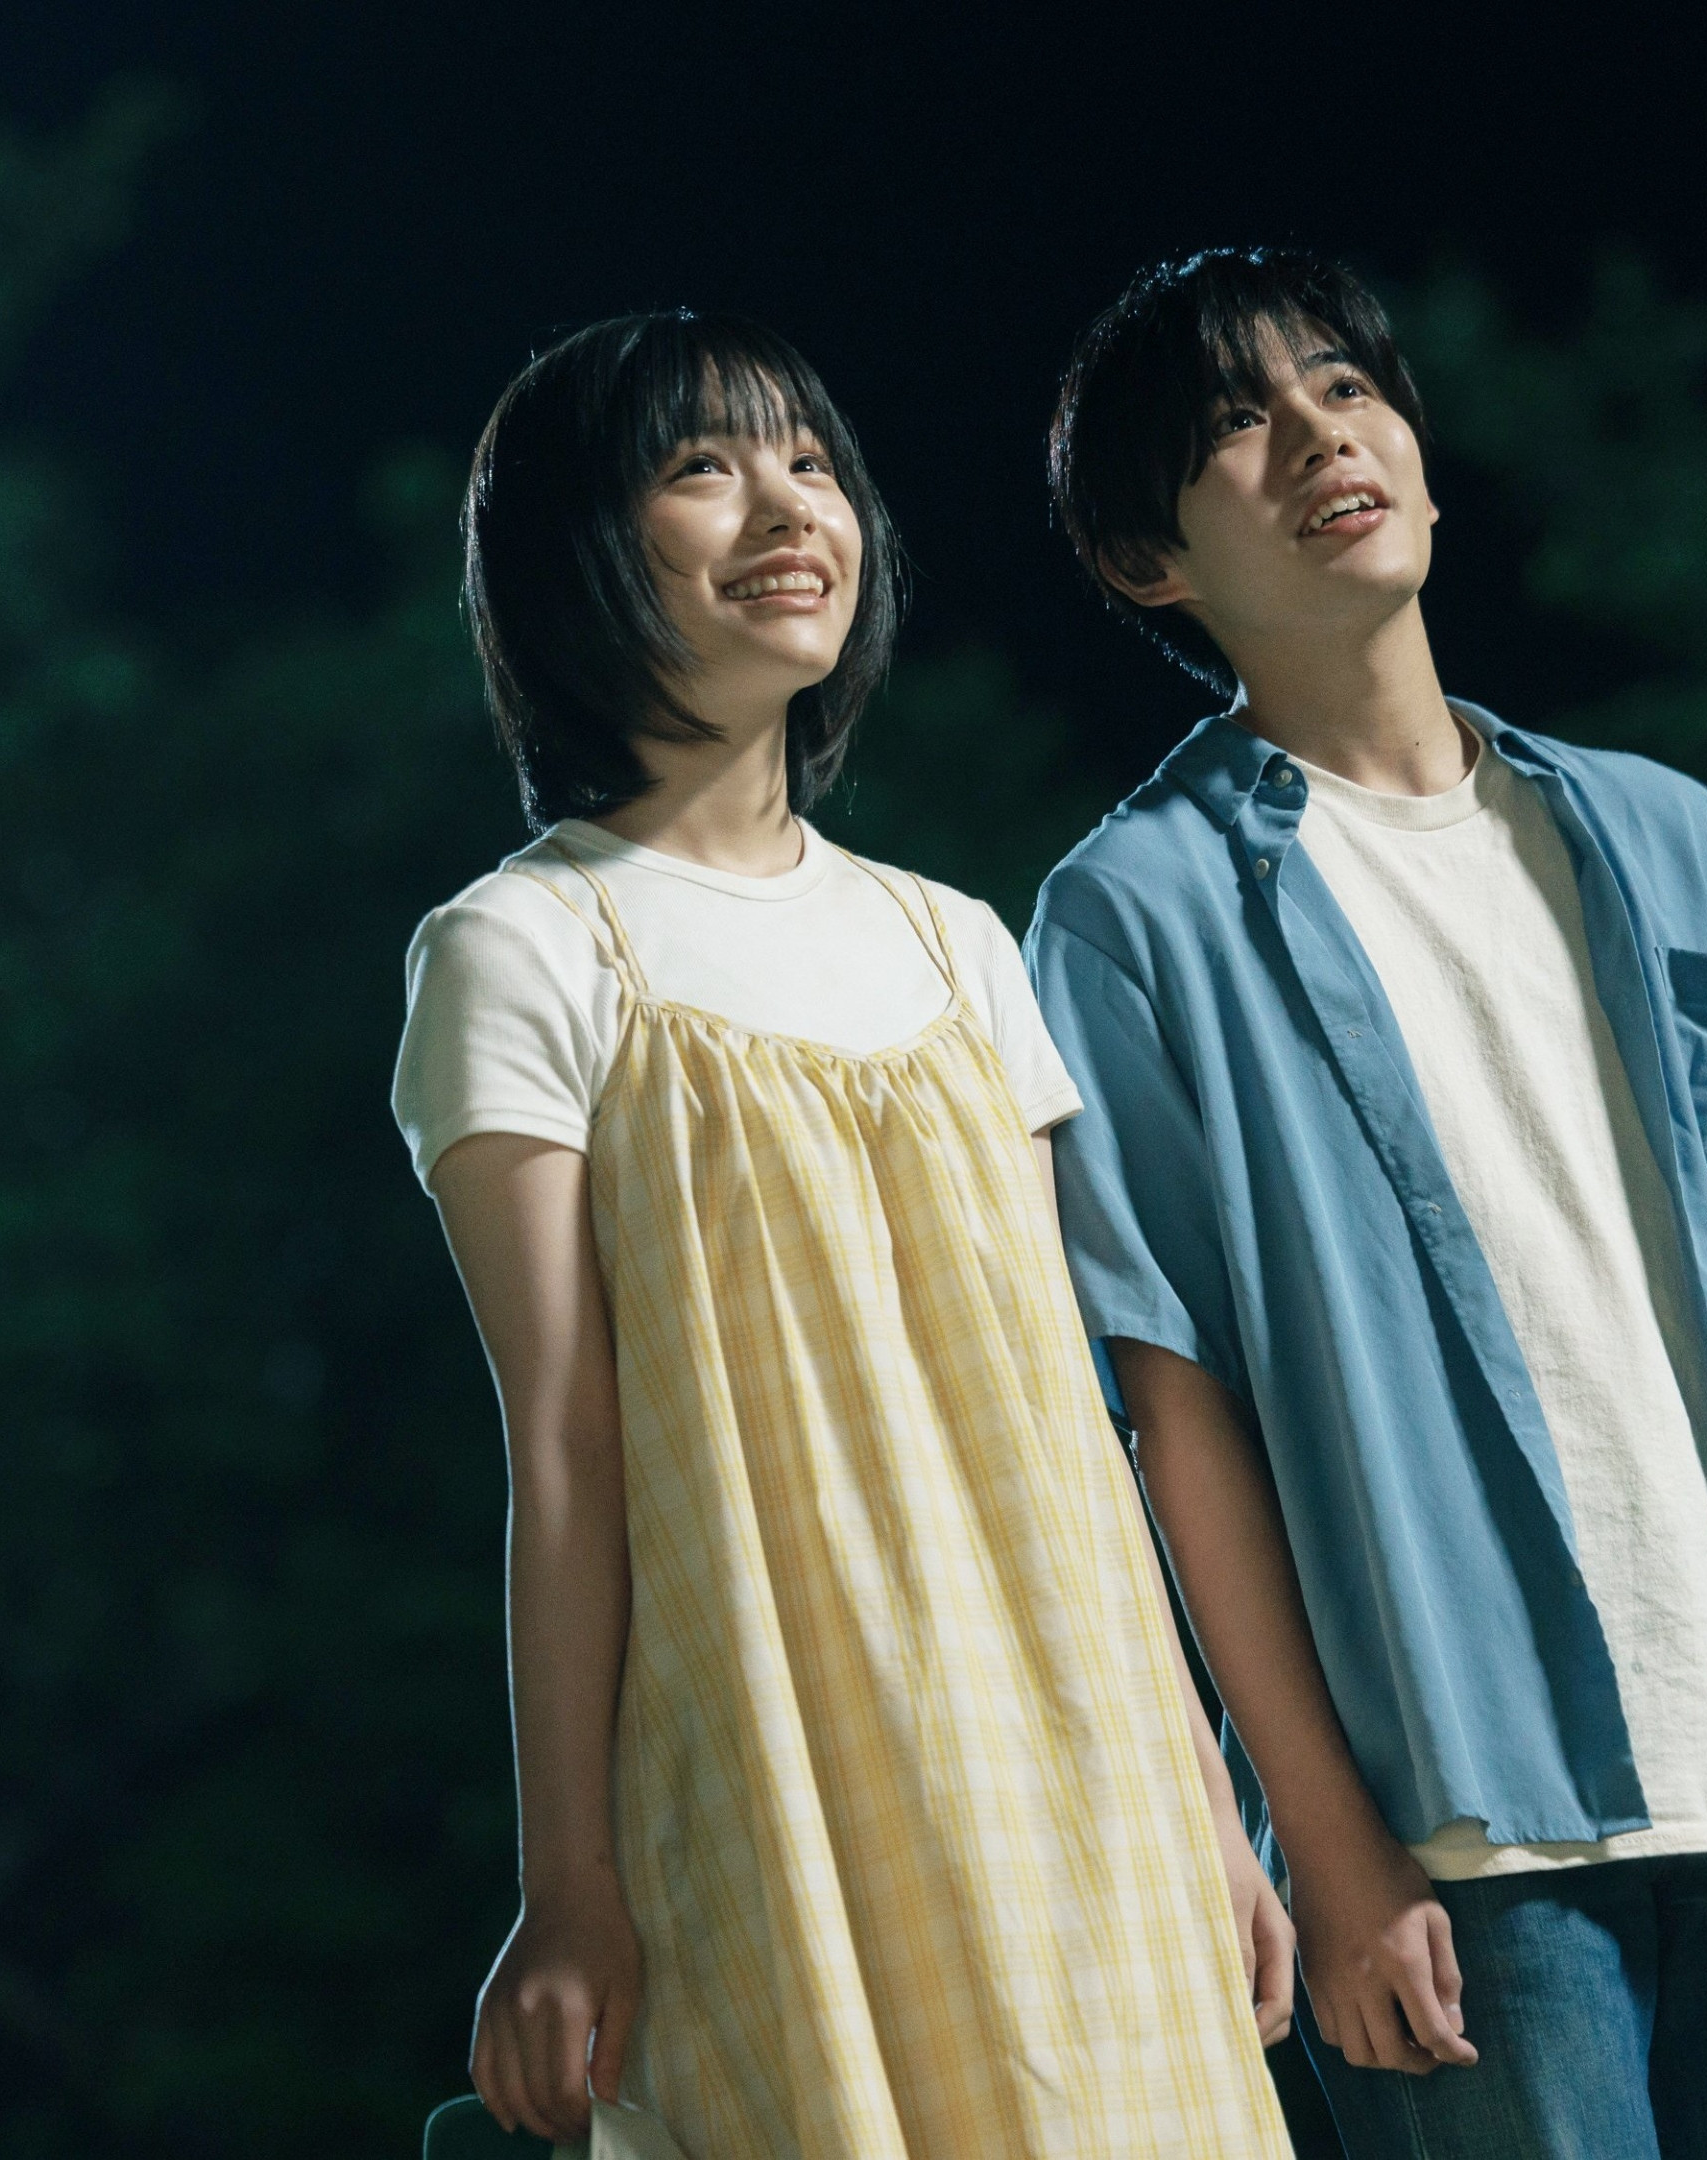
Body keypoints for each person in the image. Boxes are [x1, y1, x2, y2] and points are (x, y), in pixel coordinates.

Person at [1024, 246, 1707, 2159]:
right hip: (1462, 1849)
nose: (1321, 437)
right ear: (1147, 562)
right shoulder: (1132, 915)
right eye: (1237, 423)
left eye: (1344, 388)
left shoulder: (1670, 836)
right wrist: (1328, 1841)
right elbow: (1171, 1416)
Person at [396, 308, 1298, 2160]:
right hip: (785, 1763)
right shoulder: (525, 946)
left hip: (1082, 1765)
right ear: (574, 551)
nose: (787, 508)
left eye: (810, 464)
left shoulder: (956, 942)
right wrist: (569, 1885)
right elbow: (566, 1450)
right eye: (703, 468)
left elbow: (1067, 1423)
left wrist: (1207, 1808)